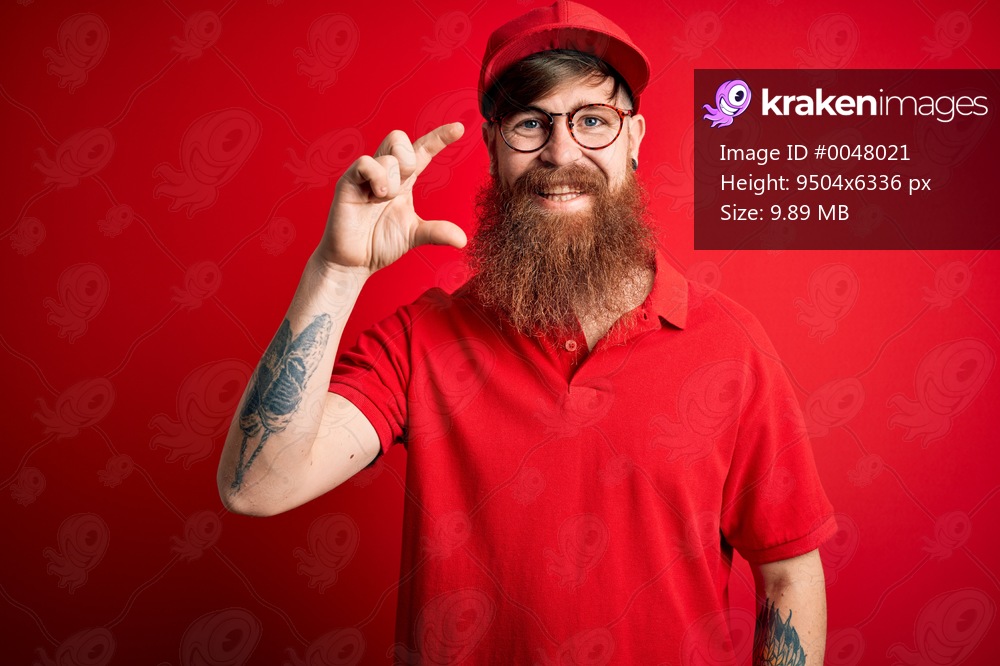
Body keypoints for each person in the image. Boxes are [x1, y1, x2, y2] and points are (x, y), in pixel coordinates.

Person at [217, 1, 836, 663]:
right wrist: (337, 271)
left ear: (634, 138)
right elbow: (258, 487)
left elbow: (788, 575)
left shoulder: (730, 345)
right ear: (493, 147)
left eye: (592, 120)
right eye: (530, 123)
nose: (561, 152)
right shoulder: (423, 339)